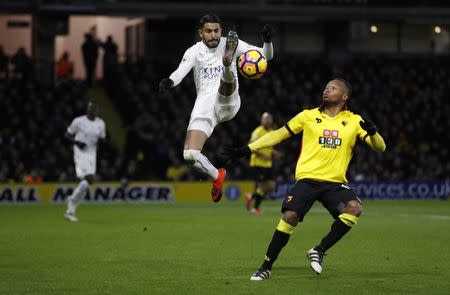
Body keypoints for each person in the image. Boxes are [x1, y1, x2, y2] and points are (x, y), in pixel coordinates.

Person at [223, 78, 386, 280]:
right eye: (326, 87)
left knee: (355, 208)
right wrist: (246, 149)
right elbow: (279, 134)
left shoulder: (354, 121)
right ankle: (266, 267)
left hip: (334, 183)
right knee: (289, 217)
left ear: (345, 96)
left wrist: (373, 133)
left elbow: (380, 147)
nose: (327, 90)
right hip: (307, 180)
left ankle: (319, 250)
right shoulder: (308, 116)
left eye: (333, 88)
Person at [159, 14, 274, 202]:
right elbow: (180, 71)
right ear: (200, 33)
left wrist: (267, 41)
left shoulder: (230, 43)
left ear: (220, 31)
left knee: (225, 82)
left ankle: (227, 66)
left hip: (228, 102)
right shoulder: (194, 51)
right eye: (208, 31)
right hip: (205, 105)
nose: (213, 35)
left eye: (216, 31)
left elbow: (266, 55)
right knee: (190, 155)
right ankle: (216, 176)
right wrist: (169, 82)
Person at [64, 101, 106, 222]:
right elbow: (67, 134)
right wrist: (77, 142)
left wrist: (104, 143)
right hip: (80, 152)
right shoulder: (78, 121)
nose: (93, 111)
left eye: (95, 109)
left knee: (87, 183)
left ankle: (70, 209)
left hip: (92, 153)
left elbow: (102, 138)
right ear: (87, 109)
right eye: (91, 108)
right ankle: (71, 202)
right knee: (89, 178)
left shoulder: (100, 123)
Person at [246, 112, 280, 215]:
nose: (268, 121)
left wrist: (274, 152)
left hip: (267, 164)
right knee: (263, 186)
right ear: (262, 120)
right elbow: (251, 146)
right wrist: (263, 156)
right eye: (266, 119)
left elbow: (268, 147)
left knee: (271, 187)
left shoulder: (271, 131)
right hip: (258, 163)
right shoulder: (257, 132)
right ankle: (255, 208)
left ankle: (251, 196)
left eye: (269, 119)